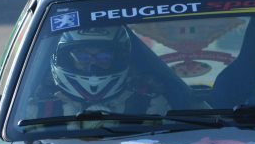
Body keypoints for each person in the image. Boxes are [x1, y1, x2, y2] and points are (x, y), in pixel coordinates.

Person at [33, 27, 171, 117]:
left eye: (104, 57)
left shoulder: (148, 103)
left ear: (118, 59)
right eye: (82, 57)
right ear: (65, 59)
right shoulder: (37, 107)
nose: (93, 65)